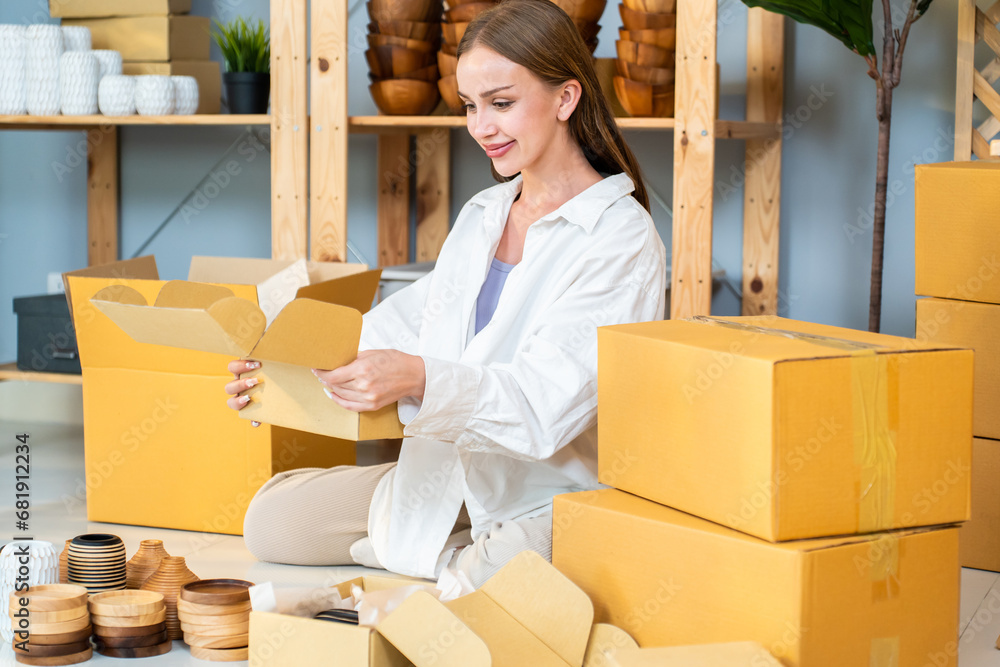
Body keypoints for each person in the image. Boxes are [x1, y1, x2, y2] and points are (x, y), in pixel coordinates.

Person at [225, 0, 666, 587]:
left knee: (497, 576)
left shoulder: (619, 237)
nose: (481, 128)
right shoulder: (483, 215)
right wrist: (278, 369)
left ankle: (450, 562)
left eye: (502, 104)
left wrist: (417, 379)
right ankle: (448, 557)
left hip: (546, 491)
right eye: (470, 106)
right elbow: (401, 328)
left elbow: (543, 409)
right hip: (448, 472)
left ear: (566, 98)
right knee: (269, 522)